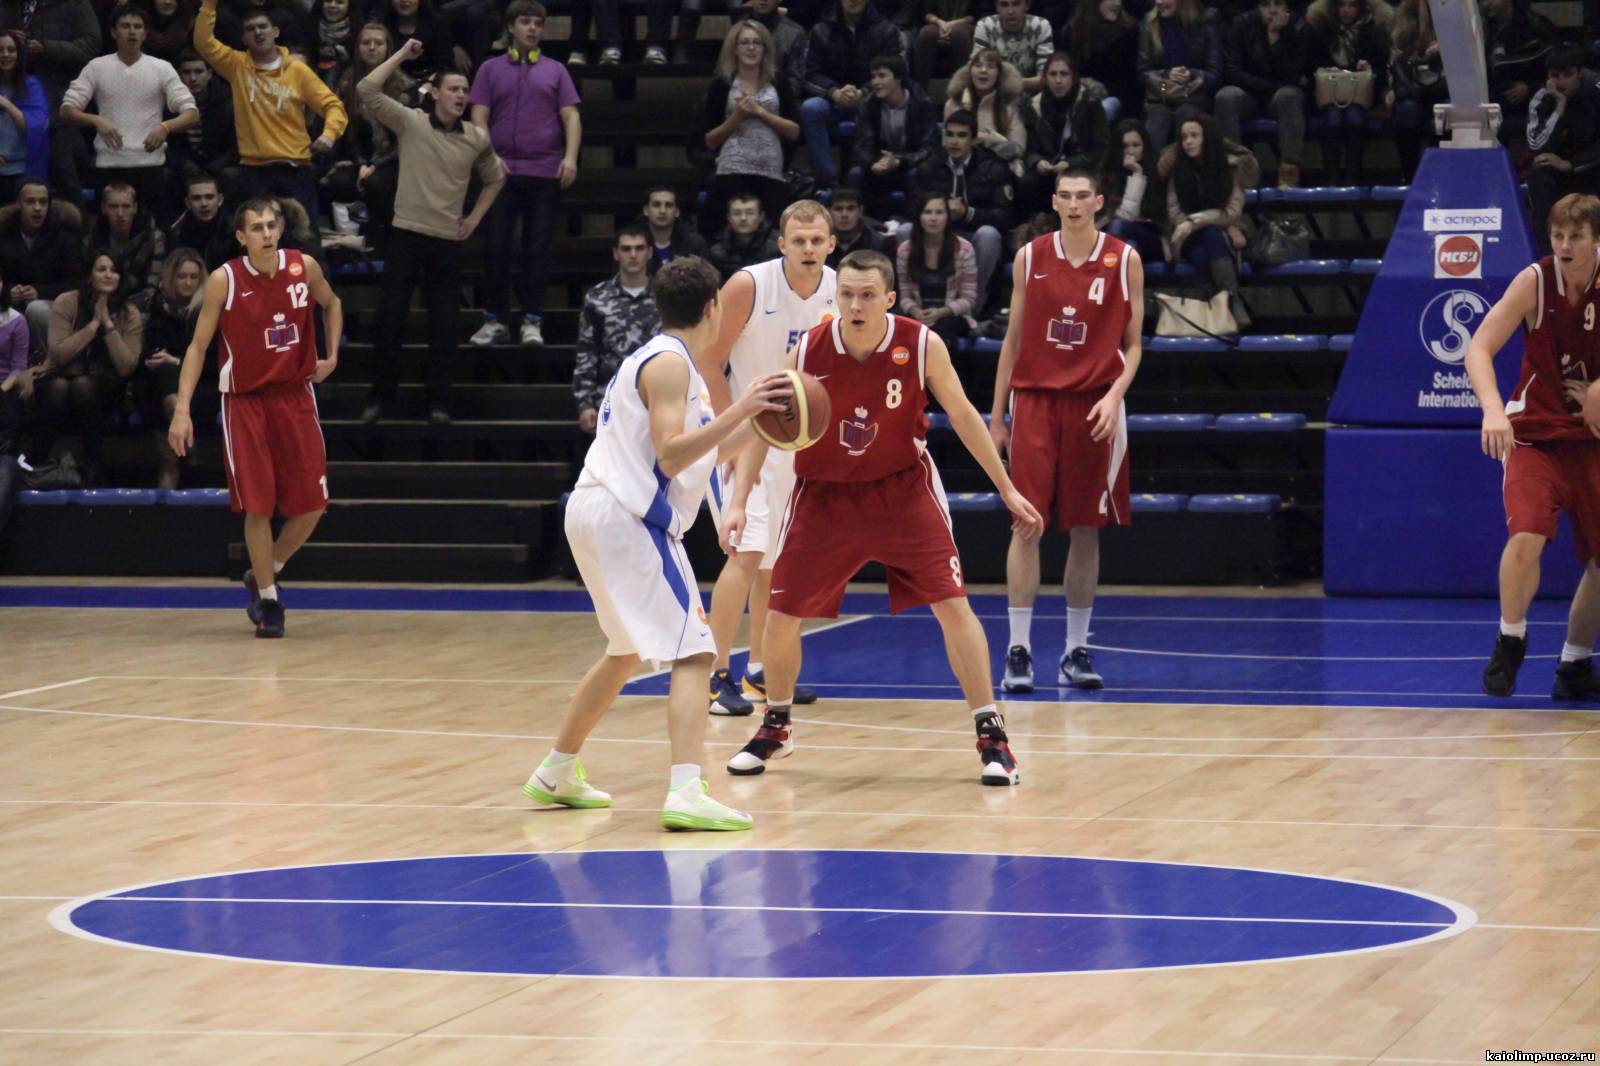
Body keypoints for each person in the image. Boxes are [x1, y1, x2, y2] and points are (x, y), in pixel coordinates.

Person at [721, 248, 1045, 783]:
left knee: (953, 606)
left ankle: (992, 735)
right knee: (780, 615)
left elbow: (963, 415)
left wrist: (1006, 487)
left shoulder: (921, 344)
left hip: (902, 494)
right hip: (825, 497)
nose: (855, 305)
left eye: (867, 295)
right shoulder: (808, 349)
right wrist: (738, 501)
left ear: (889, 298)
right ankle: (776, 726)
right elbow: (765, 423)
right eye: (846, 294)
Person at [524, 255, 791, 830]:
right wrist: (743, 407)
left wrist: (762, 421)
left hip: (599, 510)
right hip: (627, 517)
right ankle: (686, 790)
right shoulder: (669, 365)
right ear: (713, 307)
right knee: (695, 652)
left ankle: (556, 770)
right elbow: (671, 454)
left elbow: (703, 453)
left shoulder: (668, 361)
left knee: (625, 650)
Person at [991, 167, 1144, 692]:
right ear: (1054, 202)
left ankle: (1076, 650)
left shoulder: (1125, 259)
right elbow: (1012, 340)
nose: (1074, 204)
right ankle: (1018, 650)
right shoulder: (1030, 257)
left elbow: (1134, 346)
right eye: (1066, 196)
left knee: (1085, 528)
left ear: (1099, 201)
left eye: (1083, 196)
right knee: (1026, 524)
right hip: (1034, 400)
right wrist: (997, 417)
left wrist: (1114, 396)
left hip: (1094, 403)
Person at [166, 197, 342, 638]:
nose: (266, 234)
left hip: (295, 396)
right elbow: (197, 348)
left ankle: (267, 569)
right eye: (257, 228)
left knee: (313, 505)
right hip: (244, 402)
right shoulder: (224, 279)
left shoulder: (304, 267)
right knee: (259, 506)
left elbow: (332, 304)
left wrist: (332, 357)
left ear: (280, 230)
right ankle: (269, 601)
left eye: (271, 225)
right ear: (241, 237)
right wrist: (182, 410)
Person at [696, 198, 837, 716]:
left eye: (816, 240)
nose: (807, 248)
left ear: (831, 244)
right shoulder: (749, 285)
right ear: (781, 244)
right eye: (798, 240)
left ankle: (758, 670)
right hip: (741, 435)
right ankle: (714, 675)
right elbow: (708, 360)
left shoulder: (838, 290)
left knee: (776, 561)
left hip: (795, 442)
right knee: (746, 553)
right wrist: (730, 437)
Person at [1466, 194, 1600, 700]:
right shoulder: (1535, 281)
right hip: (1535, 435)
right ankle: (1511, 638)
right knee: (1526, 535)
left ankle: (1575, 666)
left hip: (1591, 439)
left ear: (1596, 240)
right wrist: (1493, 409)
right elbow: (1478, 347)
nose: (1565, 246)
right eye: (1558, 236)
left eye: (1576, 237)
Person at [360, 38, 506, 424]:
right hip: (406, 235)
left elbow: (496, 178)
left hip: (446, 242)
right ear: (436, 93)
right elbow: (366, 90)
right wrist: (401, 55)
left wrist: (474, 219)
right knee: (391, 318)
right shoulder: (412, 122)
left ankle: (439, 400)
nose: (461, 95)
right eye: (453, 89)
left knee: (445, 325)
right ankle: (380, 397)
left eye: (465, 90)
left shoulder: (476, 137)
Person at [467, 0, 579, 349]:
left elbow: (571, 116)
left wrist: (570, 157)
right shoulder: (490, 68)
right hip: (500, 174)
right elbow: (479, 116)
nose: (532, 29)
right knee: (496, 247)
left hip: (544, 172)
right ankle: (495, 319)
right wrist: (490, 156)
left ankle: (532, 320)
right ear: (511, 27)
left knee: (537, 250)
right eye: (526, 22)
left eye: (538, 24)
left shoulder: (556, 70)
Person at [194, 0, 349, 246]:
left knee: (306, 243)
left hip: (295, 169)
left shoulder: (298, 71)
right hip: (254, 171)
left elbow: (333, 105)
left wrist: (329, 134)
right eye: (250, 29)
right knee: (258, 244)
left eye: (263, 26)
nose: (258, 32)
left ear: (275, 31)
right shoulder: (236, 65)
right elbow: (203, 42)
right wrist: (210, 4)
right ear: (244, 38)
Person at [60, 3, 198, 220]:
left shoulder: (161, 68)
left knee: (159, 231)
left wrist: (165, 127)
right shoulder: (96, 67)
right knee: (106, 232)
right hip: (109, 166)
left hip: (151, 166)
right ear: (114, 32)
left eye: (137, 26)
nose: (132, 32)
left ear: (145, 33)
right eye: (125, 26)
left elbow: (191, 113)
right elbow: (67, 110)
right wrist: (96, 120)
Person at [32, 252, 144, 483]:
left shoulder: (130, 312)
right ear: (89, 276)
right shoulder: (66, 301)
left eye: (114, 270)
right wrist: (93, 324)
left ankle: (94, 466)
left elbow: (126, 367)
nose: (108, 275)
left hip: (104, 387)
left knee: (82, 386)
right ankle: (37, 463)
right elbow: (58, 354)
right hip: (60, 376)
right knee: (59, 386)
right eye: (101, 269)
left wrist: (108, 324)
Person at [697, 19, 799, 235]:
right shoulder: (722, 85)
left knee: (776, 234)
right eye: (744, 42)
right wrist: (738, 116)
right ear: (734, 49)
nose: (751, 48)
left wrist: (761, 112)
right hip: (732, 168)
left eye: (757, 42)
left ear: (765, 48)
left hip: (771, 169)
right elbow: (709, 140)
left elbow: (794, 131)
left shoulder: (779, 82)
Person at [907, 109, 1016, 306]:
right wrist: (939, 212)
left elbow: (1005, 216)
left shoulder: (993, 168)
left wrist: (968, 213)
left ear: (974, 140)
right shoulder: (929, 166)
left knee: (989, 235)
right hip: (936, 233)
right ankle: (915, 301)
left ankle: (973, 303)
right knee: (905, 231)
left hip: (974, 233)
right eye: (950, 135)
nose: (954, 141)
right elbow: (913, 207)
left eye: (962, 135)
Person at [1158, 114, 1254, 327]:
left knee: (1205, 248)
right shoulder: (1177, 170)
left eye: (1194, 136)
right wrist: (1195, 224)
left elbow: (1233, 210)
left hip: (1216, 234)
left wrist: (1195, 221)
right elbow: (1175, 213)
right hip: (1185, 237)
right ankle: (1232, 302)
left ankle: (1215, 309)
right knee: (1208, 237)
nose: (1188, 142)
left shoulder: (1227, 168)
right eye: (1184, 137)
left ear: (1207, 138)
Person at [799, 0, 905, 190]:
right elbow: (810, 74)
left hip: (872, 99)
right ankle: (827, 183)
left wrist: (864, 92)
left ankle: (865, 178)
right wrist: (833, 92)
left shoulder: (887, 30)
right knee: (810, 108)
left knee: (889, 104)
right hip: (832, 99)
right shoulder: (820, 30)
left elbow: (893, 72)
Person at [573, 225, 659, 435]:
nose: (633, 255)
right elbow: (587, 352)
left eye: (639, 248)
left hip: (658, 398)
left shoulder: (665, 295)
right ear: (616, 253)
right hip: (610, 399)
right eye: (626, 249)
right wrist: (585, 403)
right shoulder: (597, 298)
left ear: (649, 252)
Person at [138, 246, 212, 487]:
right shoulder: (157, 307)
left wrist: (178, 361)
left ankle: (174, 465)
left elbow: (216, 361)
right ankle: (184, 453)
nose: (188, 283)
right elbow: (148, 351)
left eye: (193, 277)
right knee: (163, 379)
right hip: (161, 386)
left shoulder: (209, 311)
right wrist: (161, 360)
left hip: (202, 385)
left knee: (170, 384)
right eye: (181, 276)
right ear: (171, 277)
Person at [1214, 0, 1309, 188]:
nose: (1272, 10)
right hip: (1249, 93)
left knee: (1290, 95)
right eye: (1266, 5)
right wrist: (1269, 86)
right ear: (1257, 7)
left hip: (1280, 95)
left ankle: (1289, 169)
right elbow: (1233, 72)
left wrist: (1274, 40)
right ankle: (1236, 168)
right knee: (1226, 96)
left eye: (1278, 4)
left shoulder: (1299, 27)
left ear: (1287, 7)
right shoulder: (1241, 25)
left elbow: (1295, 76)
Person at [1304, 0, 1390, 185]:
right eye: (1341, 5)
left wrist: (1369, 67)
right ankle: (1331, 179)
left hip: (1361, 96)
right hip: (1328, 94)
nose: (1346, 11)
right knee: (1332, 117)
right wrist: (1326, 69)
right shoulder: (1321, 31)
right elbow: (1308, 66)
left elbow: (1382, 70)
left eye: (1352, 6)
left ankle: (1353, 177)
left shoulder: (1372, 32)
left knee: (1354, 117)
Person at [1523, 48, 1600, 255]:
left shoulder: (1596, 89)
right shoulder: (1543, 97)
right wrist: (1559, 105)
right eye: (1555, 76)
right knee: (1538, 171)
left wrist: (1570, 164)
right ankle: (1549, 252)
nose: (1561, 82)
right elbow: (1536, 144)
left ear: (1579, 73)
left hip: (1591, 165)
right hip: (1560, 166)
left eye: (1567, 75)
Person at [847, 54, 940, 221]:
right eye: (873, 77)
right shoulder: (868, 105)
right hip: (880, 165)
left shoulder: (922, 103)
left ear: (898, 78)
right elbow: (861, 146)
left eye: (882, 76)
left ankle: (912, 224)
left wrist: (899, 161)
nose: (875, 82)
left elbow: (929, 148)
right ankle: (864, 224)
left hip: (909, 165)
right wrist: (872, 163)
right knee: (856, 174)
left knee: (918, 174)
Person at [1021, 51, 1110, 215]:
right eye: (1053, 74)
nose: (1058, 80)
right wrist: (1038, 162)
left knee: (1073, 185)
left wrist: (1071, 163)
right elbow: (1030, 148)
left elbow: (1100, 148)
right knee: (1027, 182)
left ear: (1073, 77)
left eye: (1064, 74)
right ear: (1045, 77)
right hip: (1049, 169)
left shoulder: (1089, 103)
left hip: (1082, 167)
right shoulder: (1034, 105)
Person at [0, 179, 83, 343]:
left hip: (52, 304)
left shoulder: (65, 236)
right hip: (8, 303)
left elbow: (75, 284)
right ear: (18, 204)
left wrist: (39, 292)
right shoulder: (3, 233)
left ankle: (49, 356)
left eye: (43, 202)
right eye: (30, 202)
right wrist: (7, 292)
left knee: (36, 309)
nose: (38, 208)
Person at [1136, 0, 1222, 151]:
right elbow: (1142, 73)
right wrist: (1167, 74)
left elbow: (1215, 74)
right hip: (1162, 92)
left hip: (1193, 94)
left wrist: (1191, 74)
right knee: (1157, 115)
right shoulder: (1149, 22)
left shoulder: (1205, 21)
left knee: (1187, 115)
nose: (1159, 2)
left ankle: (1186, 164)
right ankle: (1152, 165)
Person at [896, 190, 977, 346]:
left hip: (951, 315)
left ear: (947, 217)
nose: (933, 218)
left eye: (939, 212)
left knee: (939, 334)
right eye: (928, 212)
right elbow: (904, 296)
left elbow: (969, 298)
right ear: (919, 217)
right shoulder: (905, 250)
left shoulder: (964, 249)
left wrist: (940, 312)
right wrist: (915, 311)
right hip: (918, 313)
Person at [1098, 119, 1166, 266]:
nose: (1130, 151)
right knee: (1131, 248)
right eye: (1125, 146)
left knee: (1119, 226)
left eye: (1136, 145)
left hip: (1151, 237)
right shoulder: (1109, 175)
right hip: (1122, 239)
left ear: (1145, 146)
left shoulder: (1158, 171)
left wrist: (1137, 174)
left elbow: (1127, 216)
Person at [1061, 0, 1140, 125]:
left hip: (1116, 96)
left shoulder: (1129, 30)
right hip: (1081, 93)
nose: (1117, 4)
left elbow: (1131, 80)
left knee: (1097, 113)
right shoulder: (1072, 31)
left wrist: (1101, 92)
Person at [168, 50, 237, 189]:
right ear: (179, 75)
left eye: (199, 72)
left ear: (209, 74)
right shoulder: (169, 103)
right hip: (185, 166)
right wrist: (186, 165)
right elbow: (167, 146)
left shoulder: (227, 102)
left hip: (219, 165)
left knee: (230, 175)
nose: (193, 78)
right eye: (186, 72)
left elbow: (236, 146)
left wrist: (214, 167)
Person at [87, 181, 167, 298]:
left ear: (135, 208)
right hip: (99, 299)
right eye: (113, 206)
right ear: (103, 208)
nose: (120, 213)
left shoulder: (154, 238)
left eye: (126, 206)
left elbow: (153, 285)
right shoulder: (91, 236)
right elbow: (85, 279)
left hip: (140, 301)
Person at [972, 0, 1054, 95]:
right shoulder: (985, 25)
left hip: (1032, 95)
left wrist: (1001, 83)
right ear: (997, 7)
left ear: (1027, 5)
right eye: (1004, 5)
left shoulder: (1041, 26)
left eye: (1016, 4)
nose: (1010, 11)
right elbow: (975, 72)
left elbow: (1046, 78)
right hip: (994, 95)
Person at [168, 171, 241, 268]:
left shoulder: (236, 231)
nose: (204, 204)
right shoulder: (177, 232)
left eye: (209, 197)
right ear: (187, 203)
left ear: (220, 200)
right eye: (196, 198)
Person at [706, 192, 780, 280]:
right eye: (737, 213)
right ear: (729, 218)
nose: (743, 218)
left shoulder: (776, 249)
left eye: (750, 213)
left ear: (761, 217)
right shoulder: (716, 253)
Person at [639, 185, 707, 272]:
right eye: (656, 205)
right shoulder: (632, 244)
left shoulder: (695, 244)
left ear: (677, 212)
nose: (663, 211)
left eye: (669, 205)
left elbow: (708, 278)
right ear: (646, 210)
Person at [825, 185, 892, 268]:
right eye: (838, 209)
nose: (844, 215)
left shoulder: (879, 243)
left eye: (850, 209)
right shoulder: (820, 241)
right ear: (829, 212)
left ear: (860, 211)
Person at [912, 0, 976, 83]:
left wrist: (953, 24)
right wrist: (939, 22)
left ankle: (968, 85)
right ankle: (919, 87)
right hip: (936, 22)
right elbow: (925, 12)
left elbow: (976, 14)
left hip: (966, 23)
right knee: (927, 33)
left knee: (959, 33)